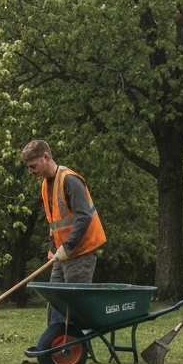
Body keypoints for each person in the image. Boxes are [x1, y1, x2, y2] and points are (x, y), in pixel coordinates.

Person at [21, 140, 107, 326]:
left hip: (81, 251)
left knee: (74, 304)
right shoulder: (46, 185)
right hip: (62, 254)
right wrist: (54, 249)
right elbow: (55, 223)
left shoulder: (70, 180)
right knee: (56, 299)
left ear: (46, 156)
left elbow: (84, 217)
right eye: (29, 168)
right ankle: (53, 347)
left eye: (33, 166)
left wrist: (67, 247)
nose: (31, 171)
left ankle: (71, 349)